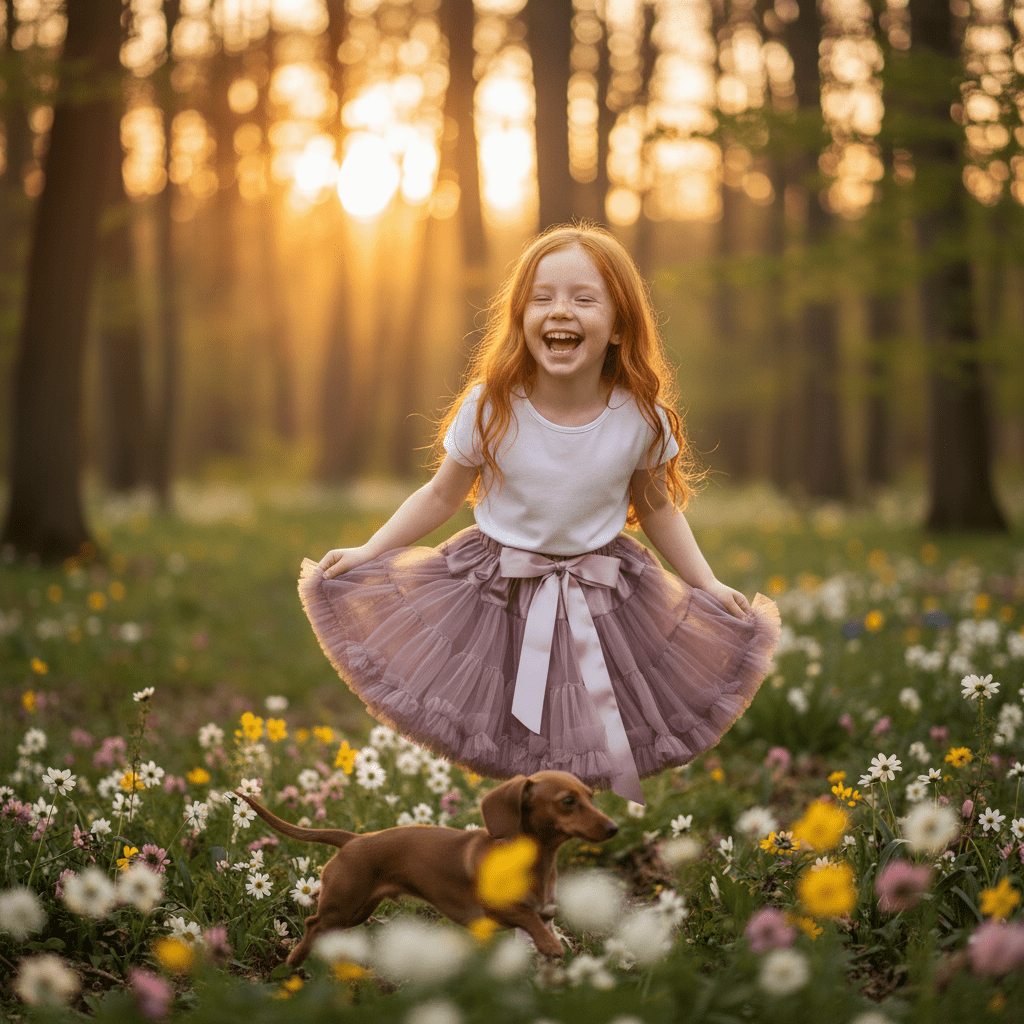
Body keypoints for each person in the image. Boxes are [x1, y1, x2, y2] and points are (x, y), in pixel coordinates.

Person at [299, 224, 780, 803]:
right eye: (543, 297)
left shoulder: (641, 417)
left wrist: (704, 582)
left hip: (606, 595)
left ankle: (571, 843)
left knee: (586, 729)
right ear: (521, 317)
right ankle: (514, 845)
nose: (561, 311)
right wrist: (370, 552)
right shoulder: (491, 406)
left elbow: (657, 509)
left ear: (619, 324)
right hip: (495, 592)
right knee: (512, 732)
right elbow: (440, 496)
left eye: (583, 298)